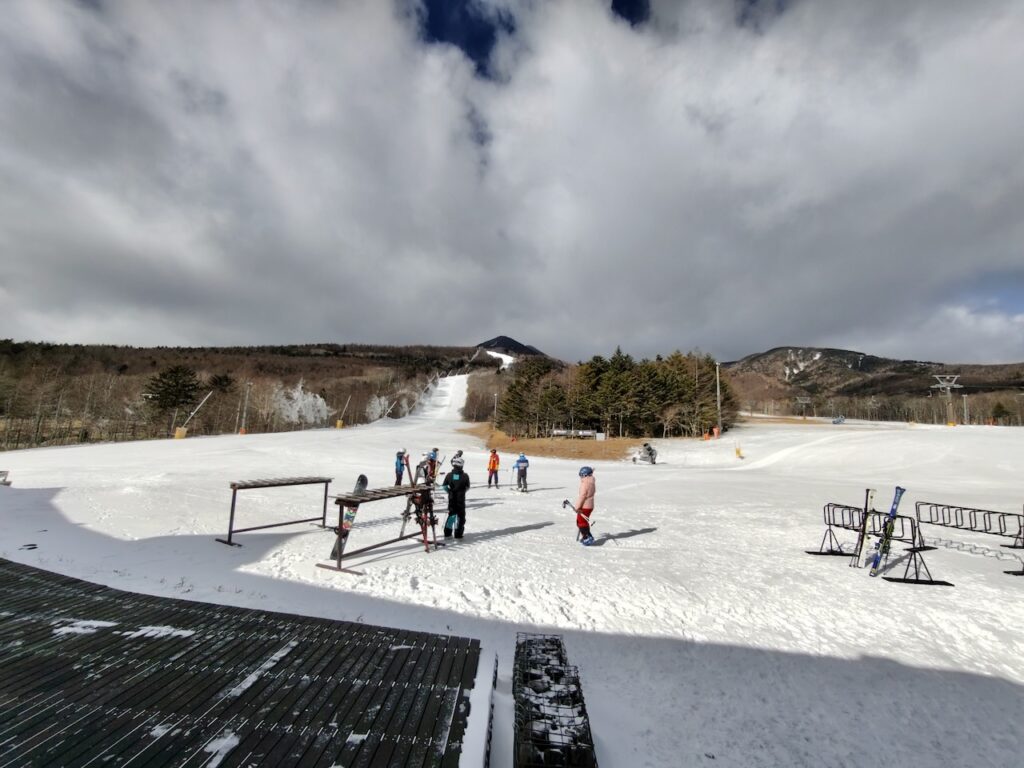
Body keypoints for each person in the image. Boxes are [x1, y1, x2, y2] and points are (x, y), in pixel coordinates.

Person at [441, 456, 471, 539]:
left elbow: (444, 486)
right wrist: (462, 491)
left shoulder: (449, 475)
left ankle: (447, 533)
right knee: (460, 516)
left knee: (452, 515)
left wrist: (449, 492)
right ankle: (458, 534)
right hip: (461, 499)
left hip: (452, 498)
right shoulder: (465, 476)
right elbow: (468, 486)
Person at [575, 466, 595, 545]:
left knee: (581, 522)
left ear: (585, 475)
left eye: (581, 475)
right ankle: (586, 536)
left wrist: (577, 507)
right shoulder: (591, 482)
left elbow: (582, 496)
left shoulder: (585, 483)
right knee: (583, 521)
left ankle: (587, 537)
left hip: (585, 506)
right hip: (590, 506)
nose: (580, 477)